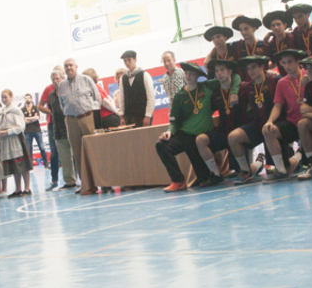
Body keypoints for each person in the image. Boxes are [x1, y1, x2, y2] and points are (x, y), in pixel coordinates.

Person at [156, 62, 229, 192]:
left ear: (197, 76)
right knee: (161, 145)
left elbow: (231, 78)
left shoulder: (207, 86)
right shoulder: (179, 96)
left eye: (191, 73)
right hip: (186, 135)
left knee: (204, 179)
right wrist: (170, 131)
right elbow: (174, 121)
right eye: (186, 73)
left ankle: (213, 174)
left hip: (203, 137)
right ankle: (178, 181)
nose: (188, 76)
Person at [228, 56, 279, 183]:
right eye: (248, 68)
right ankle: (246, 171)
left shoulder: (275, 80)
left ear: (262, 67)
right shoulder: (247, 87)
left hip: (275, 124)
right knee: (233, 137)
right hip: (257, 126)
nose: (250, 71)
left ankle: (298, 155)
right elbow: (235, 79)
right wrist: (233, 93)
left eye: (254, 67)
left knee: (279, 167)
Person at [57, 58, 104, 196]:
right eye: (66, 66)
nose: (68, 68)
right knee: (77, 153)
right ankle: (86, 185)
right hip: (71, 121)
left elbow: (97, 99)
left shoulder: (86, 80)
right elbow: (61, 104)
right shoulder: (62, 85)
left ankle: (102, 182)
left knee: (93, 150)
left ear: (76, 66)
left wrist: (89, 114)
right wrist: (70, 113)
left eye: (71, 65)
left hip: (87, 118)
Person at [262, 49, 309, 182]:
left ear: (298, 61)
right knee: (268, 131)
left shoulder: (308, 76)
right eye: (284, 63)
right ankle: (281, 170)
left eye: (290, 62)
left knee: (304, 124)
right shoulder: (282, 82)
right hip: (292, 123)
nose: (287, 66)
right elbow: (278, 106)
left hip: (309, 121)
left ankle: (307, 160)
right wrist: (269, 121)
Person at [43, 69, 77, 190]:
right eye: (53, 79)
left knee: (77, 156)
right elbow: (49, 110)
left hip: (71, 128)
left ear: (63, 78)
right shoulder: (51, 95)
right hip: (58, 130)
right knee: (64, 158)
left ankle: (84, 181)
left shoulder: (69, 91)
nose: (55, 81)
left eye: (57, 78)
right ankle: (69, 181)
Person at [0, 89, 34, 197]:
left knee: (22, 164)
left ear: (11, 96)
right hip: (6, 141)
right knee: (14, 165)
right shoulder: (1, 112)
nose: (4, 99)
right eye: (2, 97)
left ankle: (27, 188)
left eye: (5, 97)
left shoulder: (16, 110)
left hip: (16, 139)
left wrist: (8, 132)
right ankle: (18, 189)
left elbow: (21, 127)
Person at [118, 51, 156, 127]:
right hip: (129, 117)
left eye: (129, 60)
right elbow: (121, 98)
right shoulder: (123, 78)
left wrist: (148, 115)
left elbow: (151, 97)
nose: (127, 63)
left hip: (142, 116)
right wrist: (122, 116)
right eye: (125, 61)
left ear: (135, 59)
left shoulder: (144, 75)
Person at [228, 16, 268, 80]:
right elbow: (221, 47)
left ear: (254, 29)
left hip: (262, 80)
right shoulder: (237, 45)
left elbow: (273, 61)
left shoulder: (263, 44)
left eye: (246, 29)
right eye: (241, 30)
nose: (243, 32)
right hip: (245, 82)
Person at [20, 94, 49, 169]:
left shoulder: (35, 107)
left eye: (28, 98)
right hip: (27, 131)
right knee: (29, 149)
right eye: (26, 98)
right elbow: (23, 121)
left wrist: (27, 118)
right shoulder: (22, 110)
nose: (27, 99)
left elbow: (37, 118)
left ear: (31, 99)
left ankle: (46, 163)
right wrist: (33, 118)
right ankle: (30, 165)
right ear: (24, 100)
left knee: (41, 147)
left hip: (37, 130)